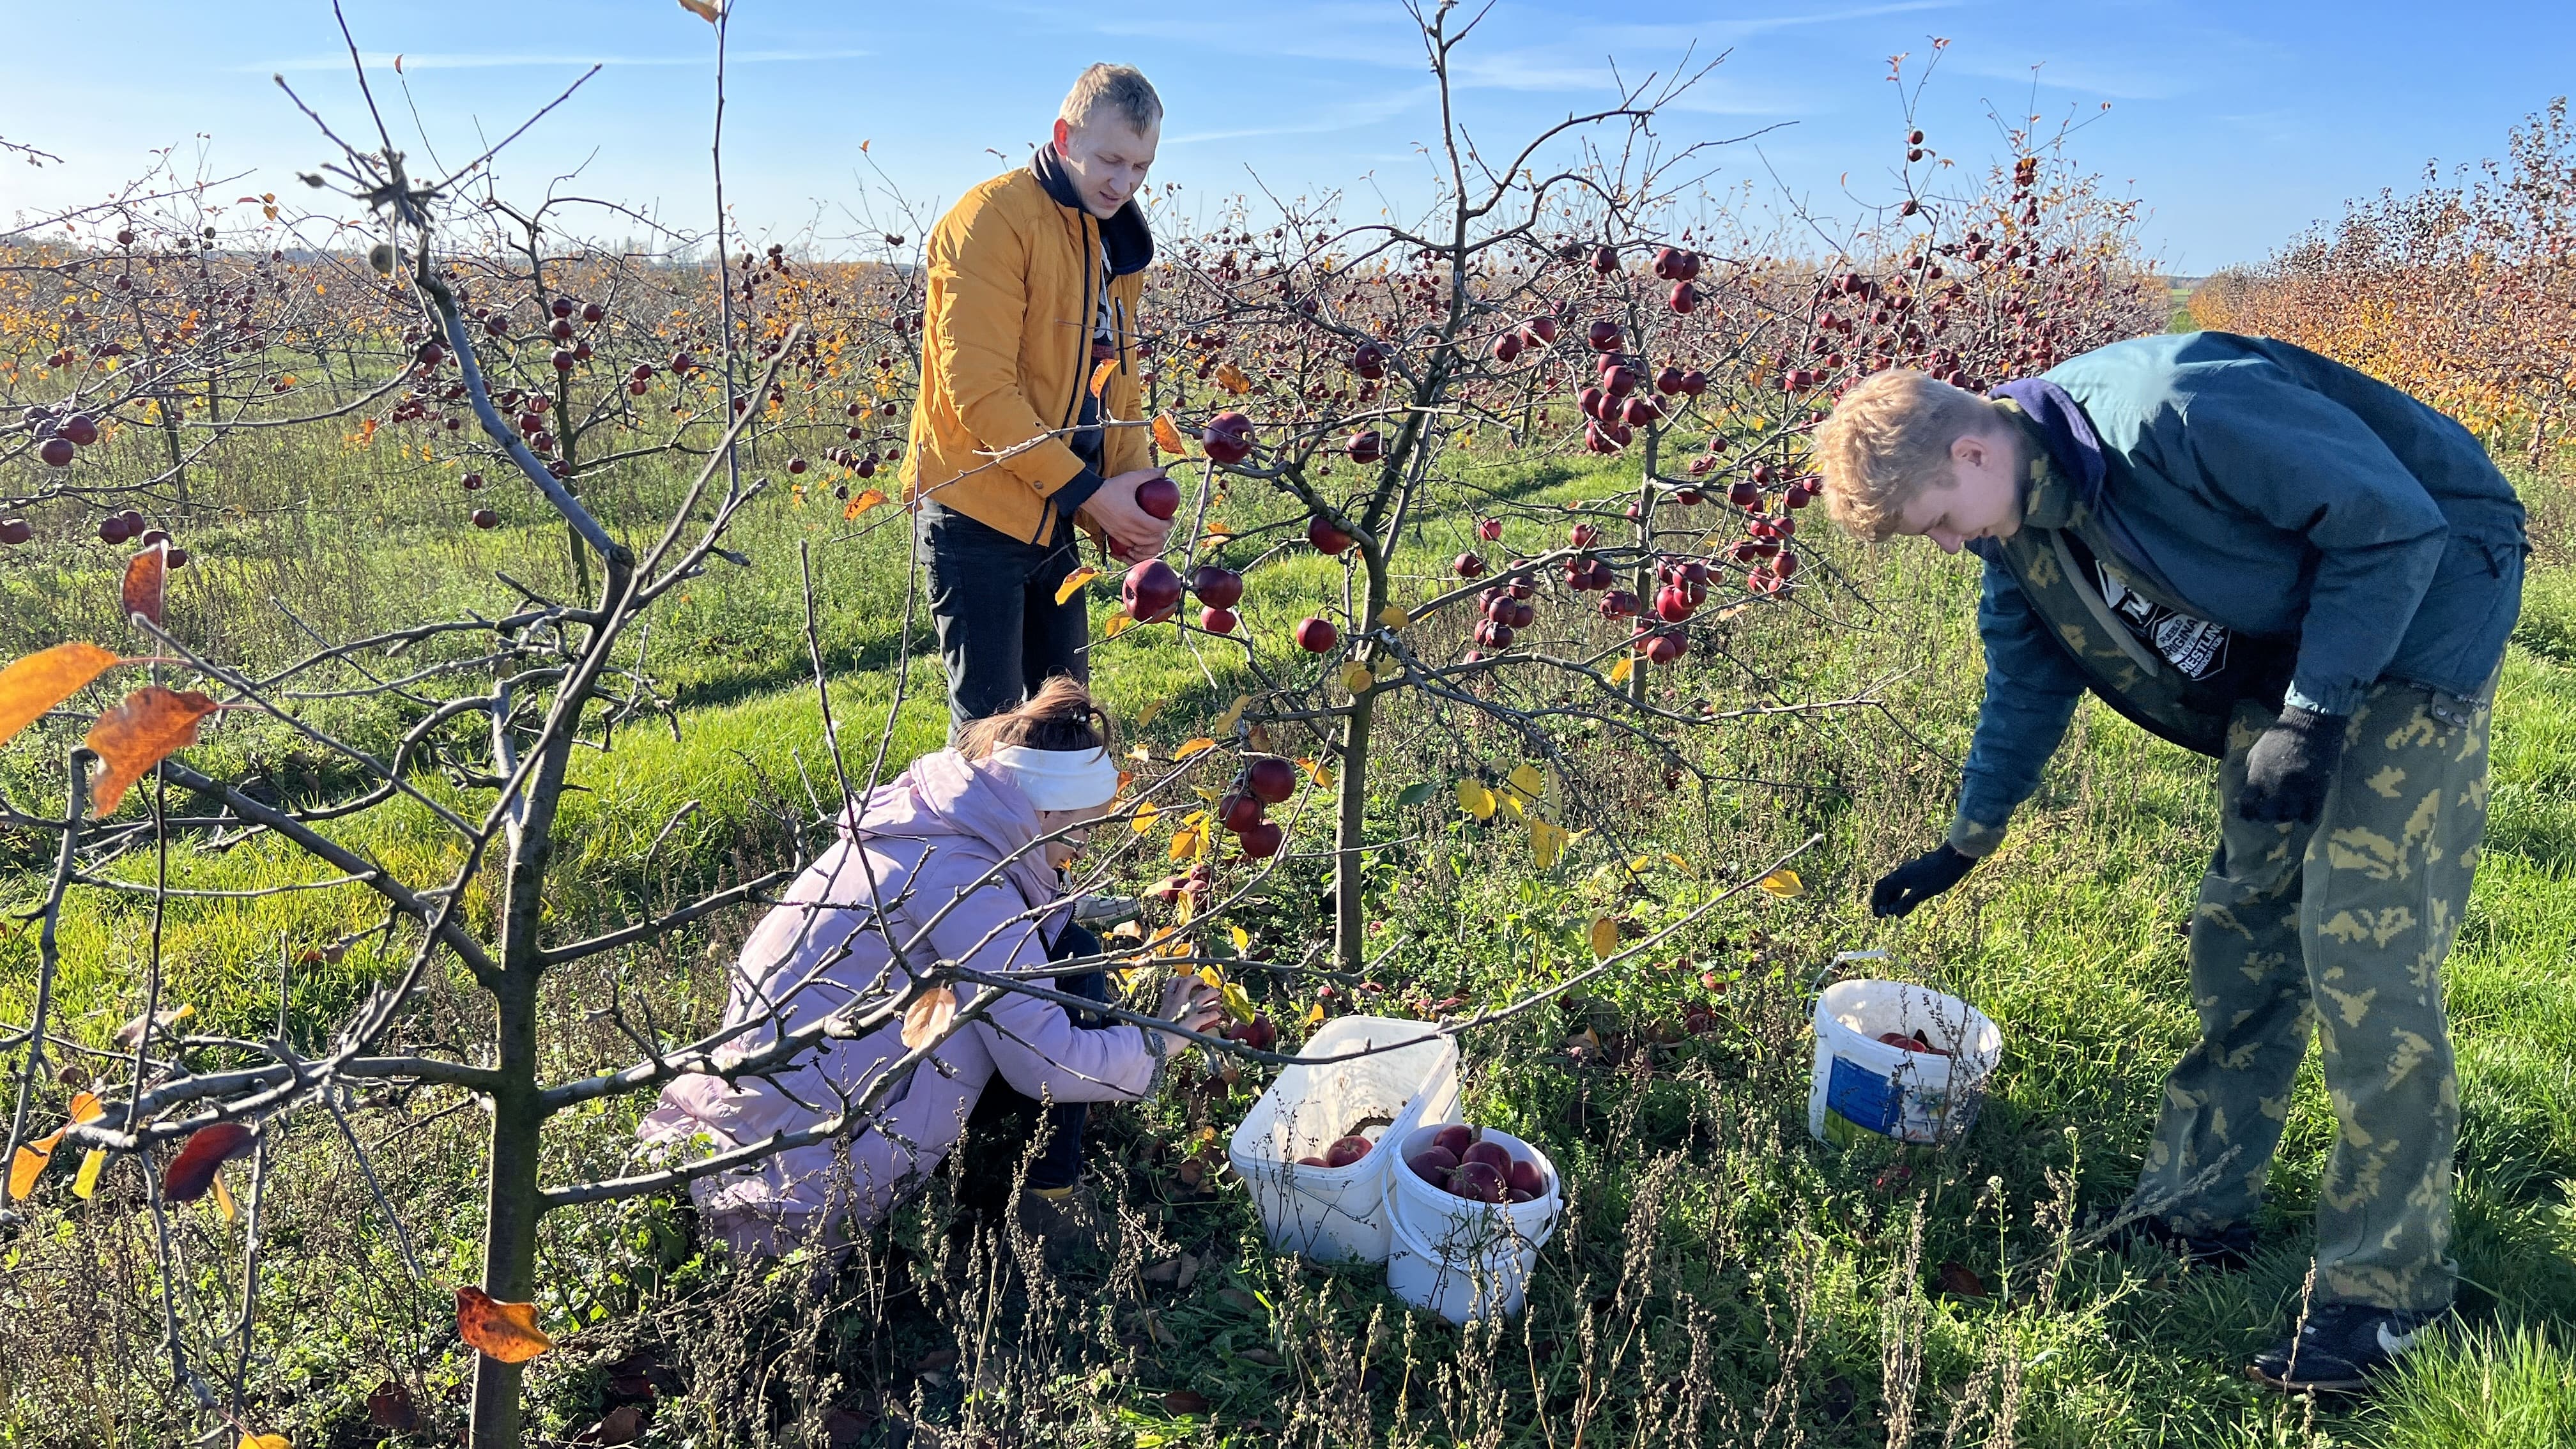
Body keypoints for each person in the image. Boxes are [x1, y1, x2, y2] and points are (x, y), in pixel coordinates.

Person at [1813, 332, 2526, 1395]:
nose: (1951, 544)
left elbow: (2390, 525)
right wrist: (1967, 838)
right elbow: (2025, 677)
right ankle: (2197, 1204)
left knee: (2362, 952)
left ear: (1969, 452)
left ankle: (2387, 1297)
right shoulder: (2019, 528)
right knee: (2243, 931)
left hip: (2423, 607)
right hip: (2294, 652)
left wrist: (2320, 711)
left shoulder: (2177, 409)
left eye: (1940, 522)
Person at [639, 678, 1223, 1257]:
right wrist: (1158, 1042)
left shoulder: (929, 819)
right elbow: (1045, 1064)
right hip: (805, 1152)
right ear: (1045, 810)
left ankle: (1004, 1170)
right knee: (1068, 972)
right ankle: (1051, 1203)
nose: (1088, 846)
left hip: (764, 1087)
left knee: (1065, 949)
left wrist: (1119, 917)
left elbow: (1025, 927)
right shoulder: (970, 881)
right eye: (1083, 828)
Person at [903, 63, 1174, 735]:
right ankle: (983, 845)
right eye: (1111, 159)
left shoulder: (1112, 235)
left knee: (1065, 721)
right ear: (1064, 136)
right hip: (977, 511)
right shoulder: (992, 219)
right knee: (992, 739)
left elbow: (1118, 379)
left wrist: (1131, 494)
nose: (1124, 182)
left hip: (1056, 512)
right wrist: (1090, 494)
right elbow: (980, 393)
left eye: (1141, 167)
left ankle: (1053, 844)